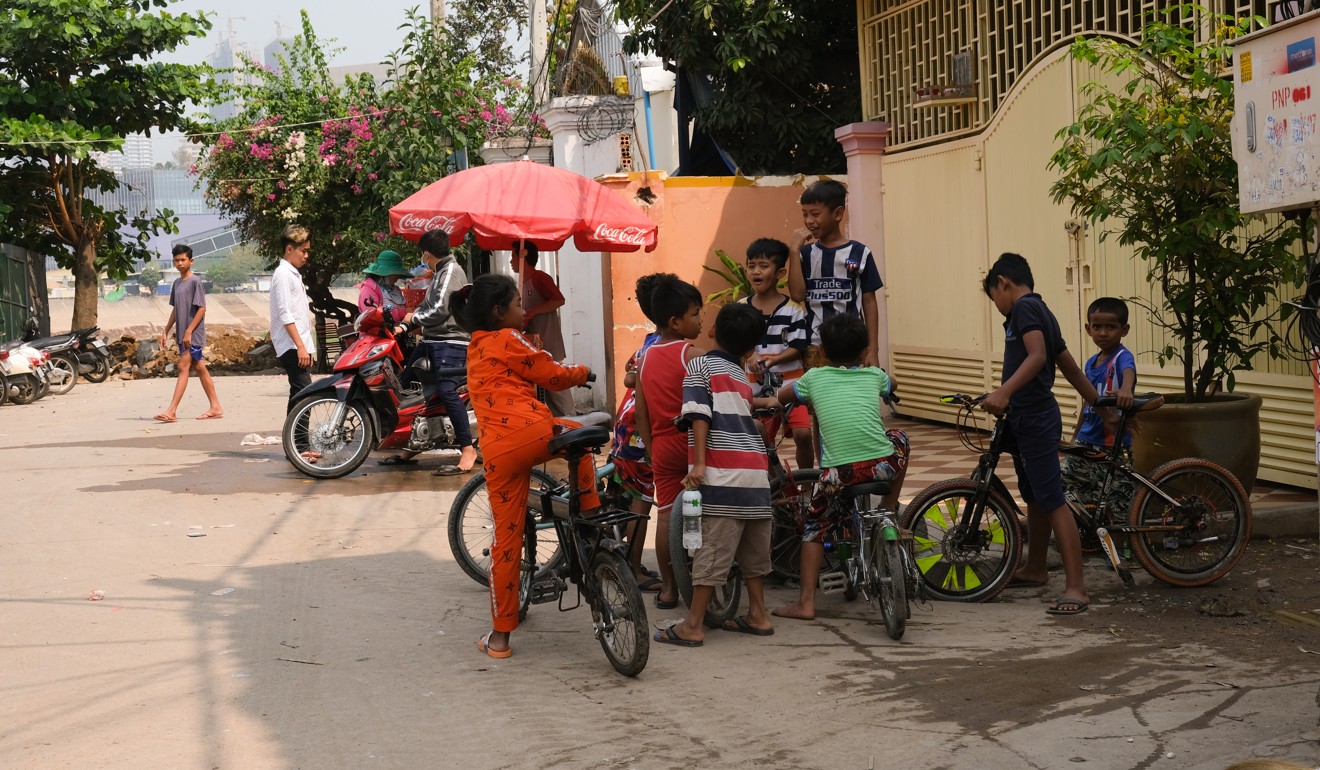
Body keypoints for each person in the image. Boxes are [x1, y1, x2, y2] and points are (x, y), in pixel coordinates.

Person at [452, 274, 596, 659]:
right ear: (500, 312)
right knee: (581, 441)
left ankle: (499, 640)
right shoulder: (508, 337)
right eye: (518, 304)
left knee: (505, 542)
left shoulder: (477, 345)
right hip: (535, 433)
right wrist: (582, 372)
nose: (524, 310)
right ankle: (591, 519)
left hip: (498, 453)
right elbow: (549, 373)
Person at [981, 253, 1102, 616]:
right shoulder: (1042, 311)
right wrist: (1101, 407)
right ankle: (1036, 568)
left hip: (1035, 417)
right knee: (1033, 494)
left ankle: (1077, 587)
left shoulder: (1024, 309)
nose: (997, 308)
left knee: (1051, 499)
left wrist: (1003, 392)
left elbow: (1035, 358)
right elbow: (1070, 369)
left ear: (1003, 282)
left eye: (994, 298)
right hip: (1026, 417)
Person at [770, 313, 909, 621]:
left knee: (814, 528)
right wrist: (878, 372)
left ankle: (806, 602)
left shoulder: (813, 378)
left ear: (823, 353)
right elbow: (893, 384)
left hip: (839, 475)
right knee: (899, 437)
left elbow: (780, 397)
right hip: (881, 466)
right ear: (863, 351)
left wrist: (764, 400)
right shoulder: (874, 375)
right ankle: (888, 509)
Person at [654, 302, 776, 646]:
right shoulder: (742, 376)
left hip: (724, 477)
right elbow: (744, 410)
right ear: (751, 348)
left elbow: (698, 414)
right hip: (756, 477)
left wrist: (700, 463)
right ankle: (758, 614)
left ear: (712, 333)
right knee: (753, 555)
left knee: (712, 554)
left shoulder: (699, 365)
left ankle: (693, 625)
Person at [634, 277, 705, 610]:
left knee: (665, 517)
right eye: (696, 314)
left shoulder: (645, 358)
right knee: (704, 513)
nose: (701, 320)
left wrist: (650, 449)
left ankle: (668, 588)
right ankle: (704, 585)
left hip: (661, 444)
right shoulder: (692, 354)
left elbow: (642, 412)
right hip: (694, 444)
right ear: (676, 321)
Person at [608, 272, 678, 591]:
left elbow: (629, 374)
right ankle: (633, 568)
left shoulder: (649, 342)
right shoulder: (664, 346)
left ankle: (627, 561)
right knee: (642, 500)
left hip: (629, 425)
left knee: (636, 496)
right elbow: (631, 377)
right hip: (641, 431)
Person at [398, 229, 477, 476]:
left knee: (445, 390)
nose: (423, 258)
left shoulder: (451, 272)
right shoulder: (439, 272)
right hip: (432, 339)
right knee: (407, 382)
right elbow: (426, 304)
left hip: (451, 341)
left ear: (427, 254)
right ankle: (415, 442)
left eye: (423, 254)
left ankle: (467, 448)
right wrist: (406, 323)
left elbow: (440, 310)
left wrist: (414, 320)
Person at [785, 179, 884, 369]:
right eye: (804, 214)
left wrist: (873, 350)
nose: (808, 221)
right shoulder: (804, 254)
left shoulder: (860, 253)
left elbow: (869, 301)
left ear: (838, 213)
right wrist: (794, 252)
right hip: (816, 346)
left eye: (815, 214)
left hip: (853, 347)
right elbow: (797, 295)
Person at [739, 237, 812, 469]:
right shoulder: (741, 308)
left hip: (792, 386)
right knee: (762, 439)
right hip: (754, 388)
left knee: (802, 434)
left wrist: (773, 360)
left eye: (763, 266)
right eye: (751, 266)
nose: (756, 272)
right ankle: (775, 485)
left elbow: (798, 346)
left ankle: (807, 485)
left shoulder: (793, 309)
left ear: (780, 273)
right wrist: (748, 354)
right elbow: (733, 343)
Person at [1063, 297, 1137, 516]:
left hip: (1114, 444)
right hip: (1086, 441)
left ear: (1124, 330)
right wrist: (1075, 437)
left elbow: (1129, 372)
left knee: (1118, 500)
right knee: (1064, 482)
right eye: (1097, 327)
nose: (1103, 333)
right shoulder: (1090, 363)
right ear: (1088, 329)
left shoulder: (1122, 357)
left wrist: (1125, 389)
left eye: (1111, 327)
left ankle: (1123, 548)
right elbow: (1088, 403)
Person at [153, 244, 223, 423]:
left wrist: (189, 331)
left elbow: (202, 309)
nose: (179, 263)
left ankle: (171, 410)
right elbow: (176, 310)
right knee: (199, 367)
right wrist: (166, 331)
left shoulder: (195, 281)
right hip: (183, 334)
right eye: (176, 260)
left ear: (191, 261)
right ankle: (215, 406)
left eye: (183, 260)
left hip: (193, 335)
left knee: (183, 367)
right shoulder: (176, 284)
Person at [511, 240, 576, 417]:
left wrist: (532, 312)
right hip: (536, 346)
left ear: (522, 257)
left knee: (558, 388)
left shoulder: (540, 278)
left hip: (549, 342)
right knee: (547, 391)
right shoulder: (521, 285)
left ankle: (574, 424)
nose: (511, 261)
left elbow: (559, 300)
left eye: (513, 256)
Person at [269, 224, 314, 413]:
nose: (306, 256)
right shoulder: (283, 275)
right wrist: (301, 347)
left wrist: (306, 345)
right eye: (303, 251)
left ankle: (294, 439)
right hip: (291, 345)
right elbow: (285, 313)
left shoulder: (292, 274)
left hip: (298, 343)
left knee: (299, 394)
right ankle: (299, 442)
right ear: (289, 249)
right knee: (306, 395)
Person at [356, 249, 409, 316]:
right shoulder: (369, 289)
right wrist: (404, 313)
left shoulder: (395, 289)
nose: (397, 277)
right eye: (395, 273)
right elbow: (372, 316)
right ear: (385, 274)